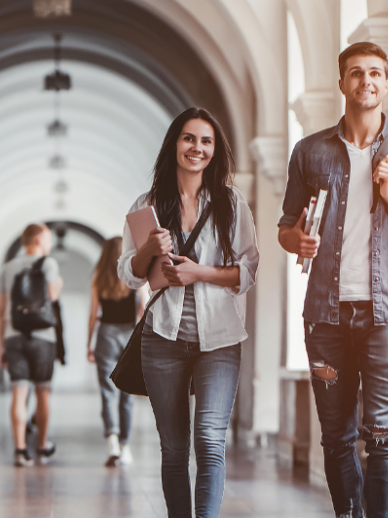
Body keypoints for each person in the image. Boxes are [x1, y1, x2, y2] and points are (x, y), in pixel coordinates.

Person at [277, 42, 388, 518]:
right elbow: (284, 228)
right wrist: (299, 240)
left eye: (376, 73)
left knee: (384, 436)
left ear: (387, 82)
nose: (366, 81)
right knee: (336, 437)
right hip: (325, 317)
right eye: (356, 73)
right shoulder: (310, 151)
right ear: (342, 83)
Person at [117, 107, 259, 518]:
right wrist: (148, 250)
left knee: (210, 441)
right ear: (174, 144)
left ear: (215, 150)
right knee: (175, 448)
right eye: (189, 138)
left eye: (206, 141)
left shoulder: (231, 203)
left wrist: (200, 272)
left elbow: (248, 270)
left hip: (220, 339)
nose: (197, 148)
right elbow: (128, 275)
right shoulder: (148, 205)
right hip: (163, 338)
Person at [0, 223, 63, 467]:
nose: (49, 245)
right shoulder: (49, 264)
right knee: (42, 392)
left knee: (18, 394)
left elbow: (1, 310)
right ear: (37, 240)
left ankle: (20, 450)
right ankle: (42, 447)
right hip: (43, 337)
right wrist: (59, 283)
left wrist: (2, 346)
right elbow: (53, 296)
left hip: (14, 336)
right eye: (47, 239)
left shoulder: (7, 268)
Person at [85, 237, 145, 467]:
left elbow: (93, 314)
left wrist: (88, 344)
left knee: (107, 392)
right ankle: (126, 446)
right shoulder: (134, 276)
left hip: (105, 336)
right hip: (129, 335)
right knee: (126, 394)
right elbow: (143, 309)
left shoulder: (98, 277)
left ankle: (112, 443)